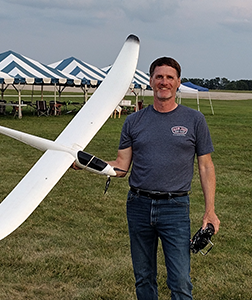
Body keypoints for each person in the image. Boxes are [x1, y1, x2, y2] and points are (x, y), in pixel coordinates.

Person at [107, 57, 220, 299]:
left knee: (179, 280)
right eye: (159, 77)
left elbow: (206, 167)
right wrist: (83, 162)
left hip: (175, 208)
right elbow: (120, 166)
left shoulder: (194, 120)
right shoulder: (133, 121)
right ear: (150, 81)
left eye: (170, 77)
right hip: (138, 206)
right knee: (144, 277)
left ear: (178, 82)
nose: (164, 82)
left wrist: (210, 211)